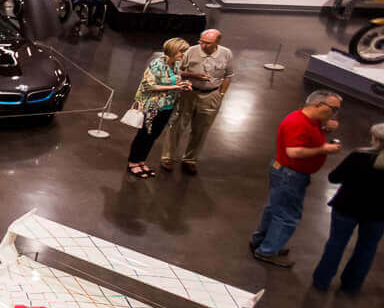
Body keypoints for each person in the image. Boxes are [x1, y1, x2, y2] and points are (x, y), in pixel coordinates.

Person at [250, 90, 342, 266]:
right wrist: (324, 149)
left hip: (285, 172)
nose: (335, 113)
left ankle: (262, 240)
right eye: (333, 109)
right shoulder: (298, 123)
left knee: (274, 207)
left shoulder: (311, 121)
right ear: (318, 105)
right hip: (291, 174)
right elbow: (294, 152)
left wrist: (324, 129)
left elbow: (308, 140)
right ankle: (268, 251)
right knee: (287, 215)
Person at [311, 122, 384, 293]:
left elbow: (334, 178)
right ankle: (352, 286)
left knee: (336, 243)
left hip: (347, 207)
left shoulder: (359, 156)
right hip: (378, 214)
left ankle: (322, 281)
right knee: (367, 249)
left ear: (375, 138)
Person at [159, 29, 234, 174]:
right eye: (202, 42)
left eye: (208, 43)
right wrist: (194, 76)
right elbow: (175, 70)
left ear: (217, 42)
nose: (204, 45)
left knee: (201, 130)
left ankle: (190, 159)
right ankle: (167, 157)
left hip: (211, 95)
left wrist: (221, 94)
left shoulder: (226, 53)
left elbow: (228, 75)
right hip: (188, 93)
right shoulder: (191, 51)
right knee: (177, 125)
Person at [124, 38, 191, 179]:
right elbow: (148, 86)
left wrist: (183, 84)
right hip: (152, 105)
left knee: (154, 136)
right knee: (144, 135)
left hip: (168, 105)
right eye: (181, 51)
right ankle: (133, 163)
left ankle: (141, 161)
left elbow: (175, 79)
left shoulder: (176, 64)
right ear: (172, 50)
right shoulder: (157, 64)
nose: (183, 54)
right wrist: (175, 87)